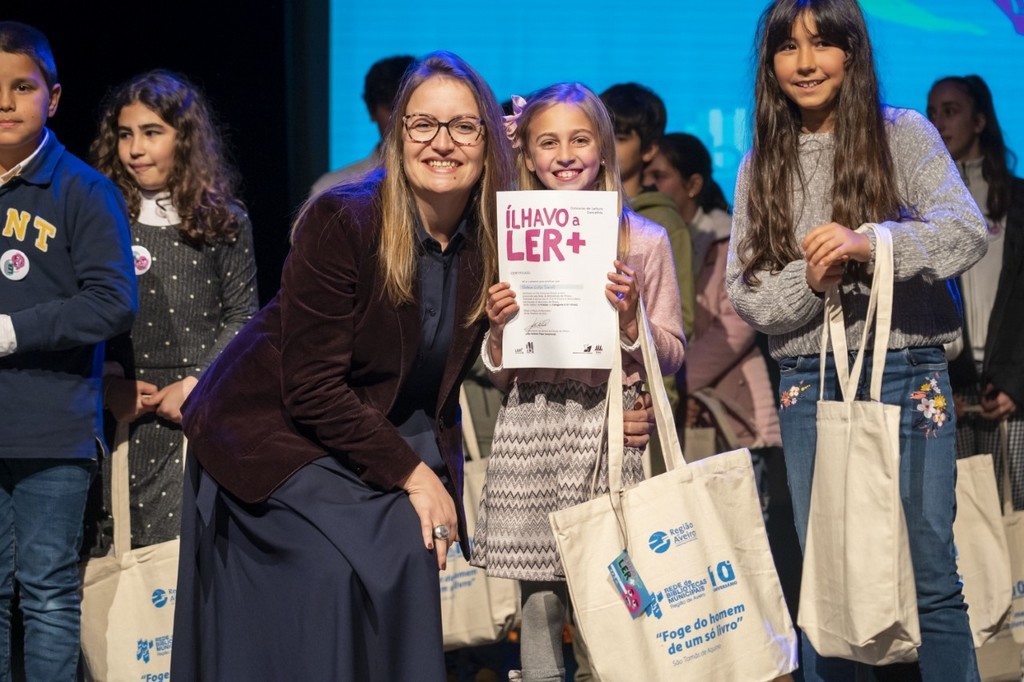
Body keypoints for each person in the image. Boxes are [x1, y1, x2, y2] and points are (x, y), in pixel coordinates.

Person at [170, 52, 655, 681]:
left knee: (407, 543)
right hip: (273, 431)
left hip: (375, 433)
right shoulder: (342, 218)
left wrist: (618, 410)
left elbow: (558, 348)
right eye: (422, 125)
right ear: (397, 136)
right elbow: (311, 386)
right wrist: (416, 478)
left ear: (488, 141)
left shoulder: (498, 238)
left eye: (463, 127)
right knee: (340, 566)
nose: (442, 143)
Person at [727, 1, 988, 680]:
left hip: (908, 368)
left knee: (929, 566)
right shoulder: (762, 161)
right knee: (828, 575)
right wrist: (810, 280)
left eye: (822, 45)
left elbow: (964, 230)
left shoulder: (901, 133)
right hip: (809, 383)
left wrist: (871, 242)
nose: (806, 63)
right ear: (770, 63)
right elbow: (748, 293)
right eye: (788, 48)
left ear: (853, 52)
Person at [472, 82, 685, 682]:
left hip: (612, 434)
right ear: (530, 157)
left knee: (615, 599)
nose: (565, 154)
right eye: (548, 142)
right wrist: (498, 328)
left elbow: (669, 355)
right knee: (539, 605)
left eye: (580, 139)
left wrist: (629, 318)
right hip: (533, 427)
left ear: (604, 148)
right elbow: (500, 366)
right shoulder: (509, 239)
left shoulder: (644, 240)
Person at [0, 21, 137, 681]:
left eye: (21, 87)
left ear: (52, 98)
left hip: (51, 428)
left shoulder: (82, 189)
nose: (4, 102)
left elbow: (113, 301)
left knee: (47, 589)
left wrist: (13, 330)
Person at [90, 70, 259, 547]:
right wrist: (107, 385)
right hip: (123, 407)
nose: (135, 149)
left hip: (196, 406)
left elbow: (244, 317)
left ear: (184, 139)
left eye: (152, 133)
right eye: (125, 135)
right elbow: (83, 311)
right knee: (120, 551)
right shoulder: (101, 218)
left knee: (194, 550)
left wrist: (199, 383)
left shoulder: (222, 219)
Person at [645, 132, 781, 508]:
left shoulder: (729, 237)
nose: (649, 185)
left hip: (728, 405)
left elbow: (735, 327)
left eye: (660, 176)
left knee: (741, 532)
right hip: (680, 408)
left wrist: (679, 381)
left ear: (693, 185)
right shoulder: (650, 239)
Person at [926, 75, 1024, 509]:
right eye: (932, 112)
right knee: (966, 522)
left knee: (1016, 519)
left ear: (980, 120)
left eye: (950, 111)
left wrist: (1018, 383)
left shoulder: (1017, 200)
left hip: (1012, 385)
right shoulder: (925, 206)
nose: (938, 122)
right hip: (955, 383)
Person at [311, 54, 415, 195]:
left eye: (411, 110)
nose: (402, 119)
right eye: (392, 109)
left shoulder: (446, 185)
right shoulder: (333, 191)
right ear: (371, 110)